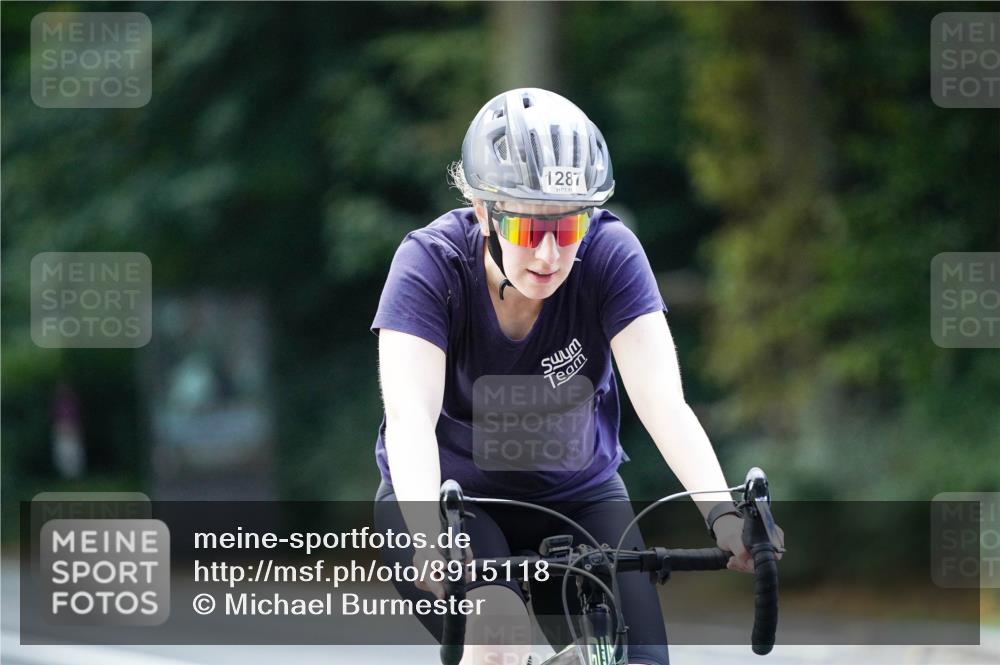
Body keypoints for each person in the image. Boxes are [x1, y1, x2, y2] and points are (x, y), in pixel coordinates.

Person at [371, 88, 755, 665]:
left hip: (578, 494)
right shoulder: (430, 265)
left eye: (569, 226)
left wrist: (723, 514)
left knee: (634, 659)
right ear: (484, 211)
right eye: (528, 230)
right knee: (496, 638)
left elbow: (664, 404)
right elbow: (409, 418)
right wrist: (428, 537)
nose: (549, 255)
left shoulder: (610, 254)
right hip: (454, 500)